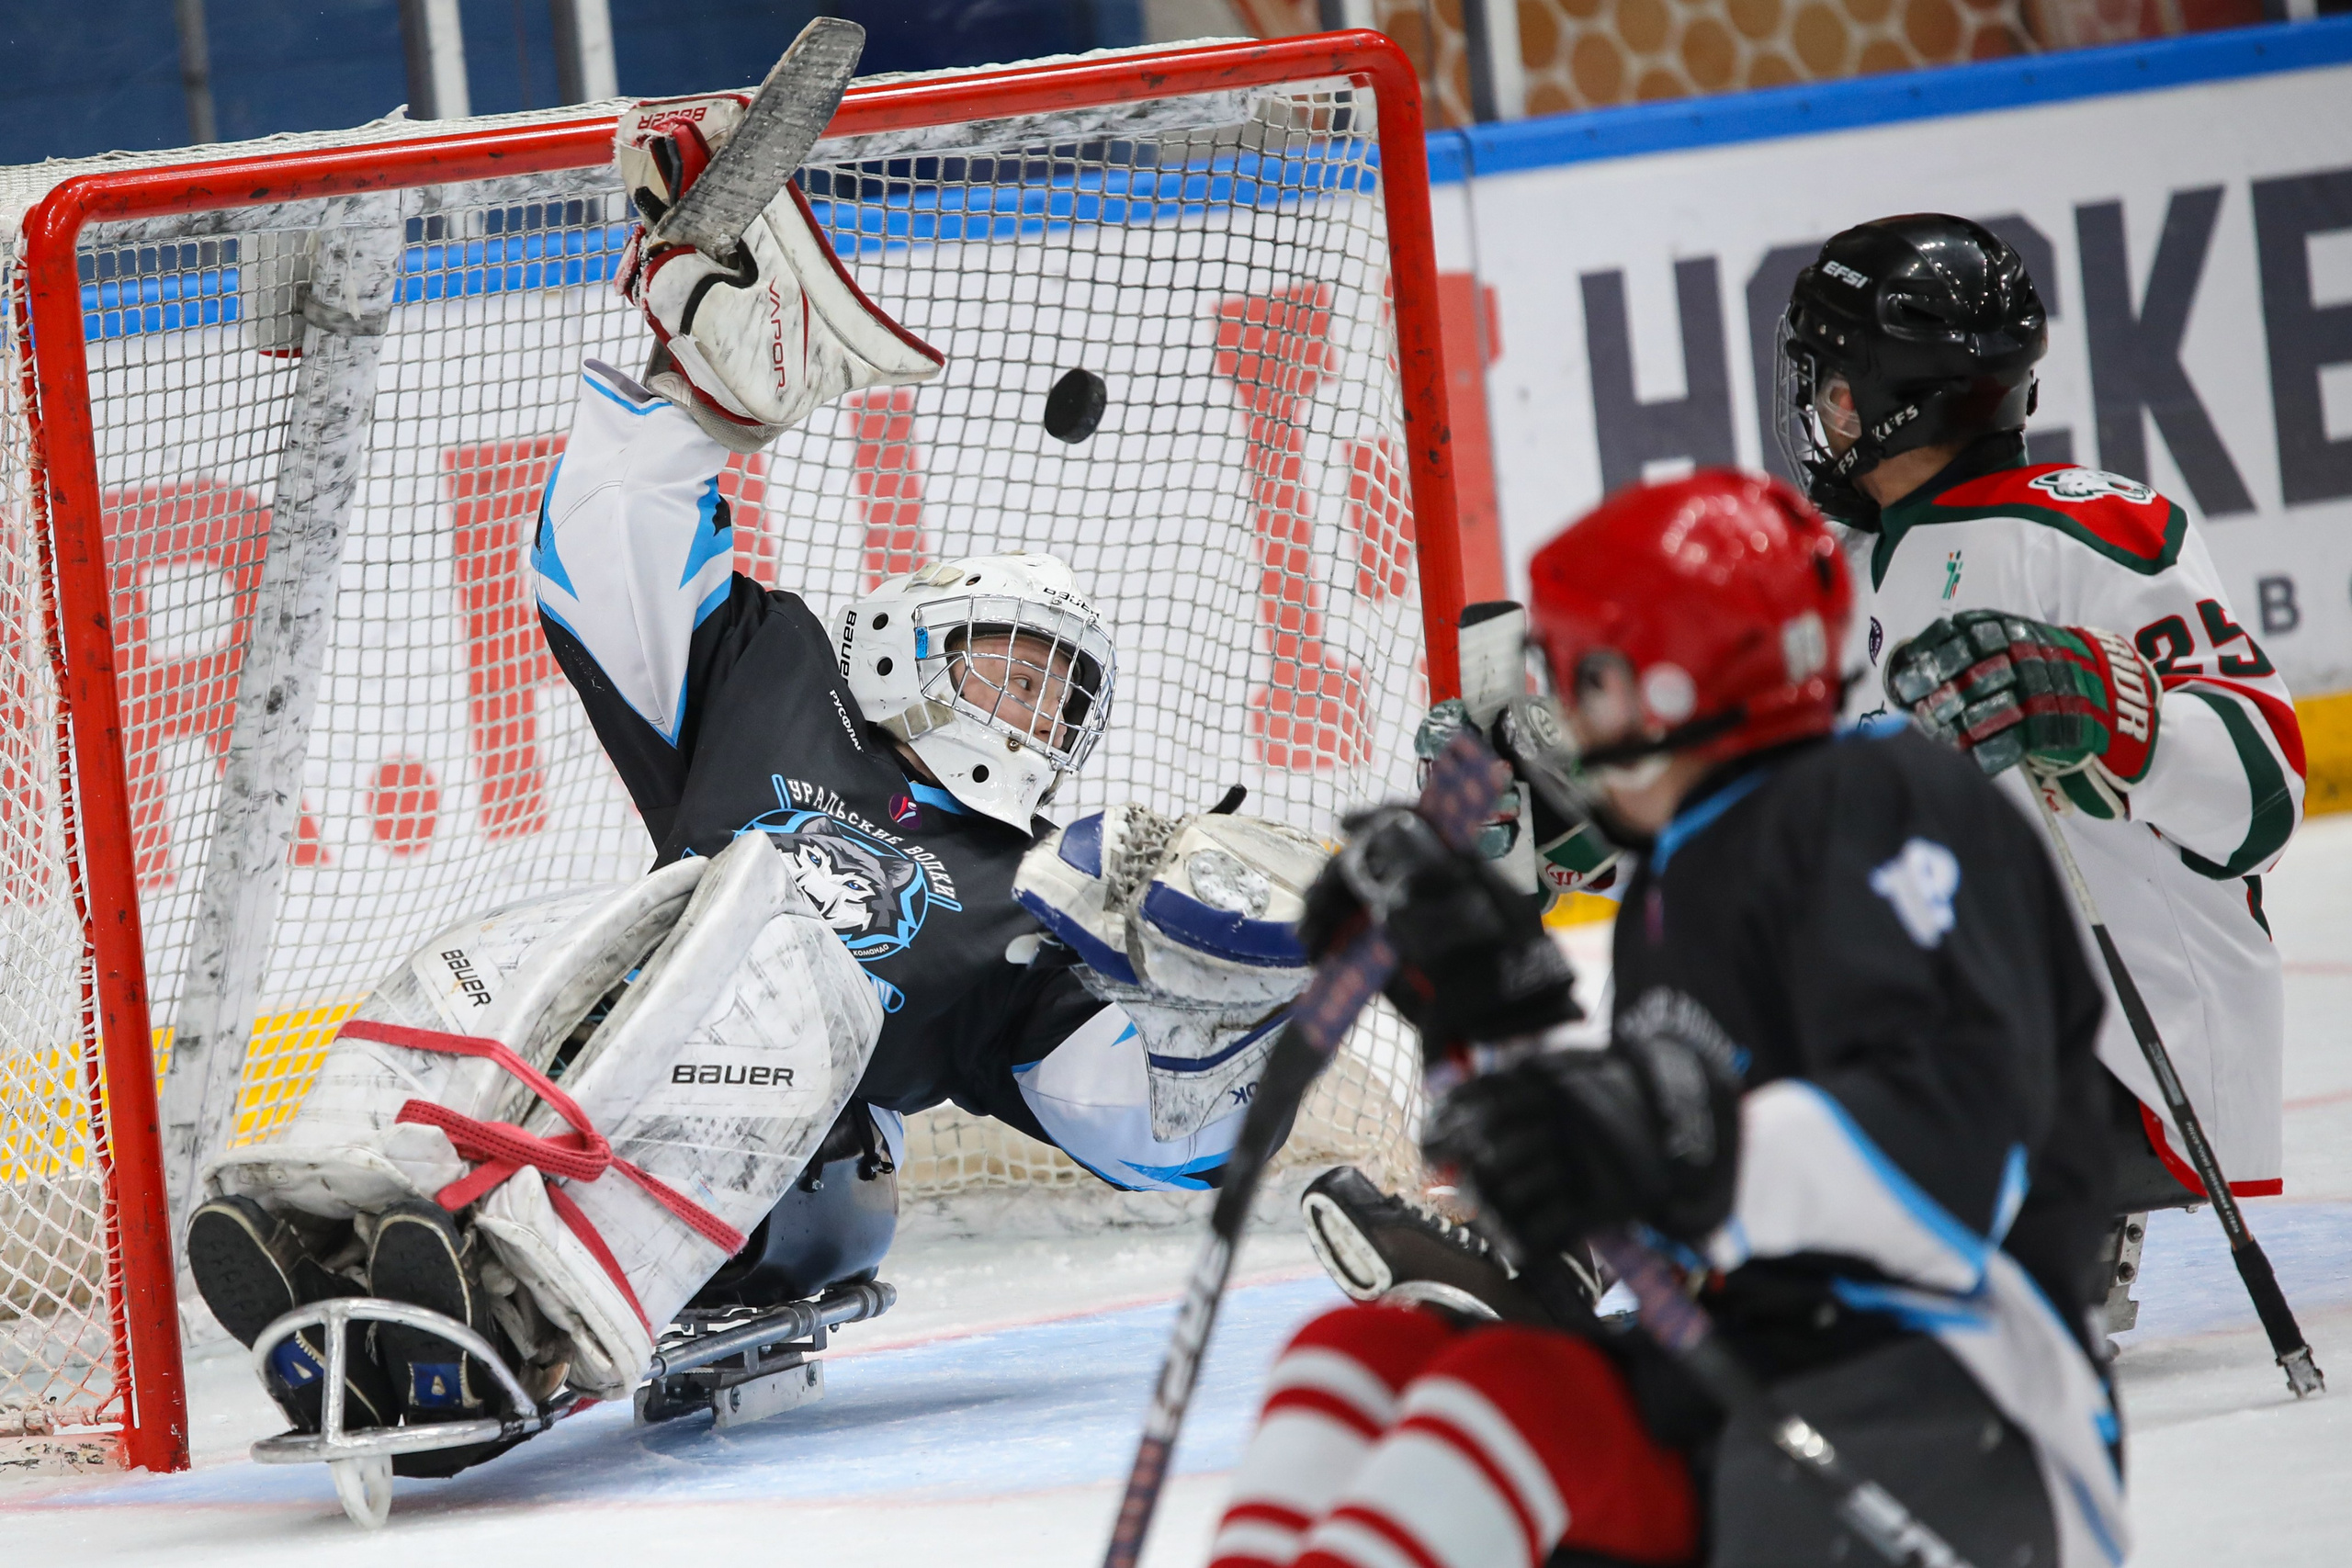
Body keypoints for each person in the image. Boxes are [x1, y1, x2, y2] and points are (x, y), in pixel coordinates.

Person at [183, 85, 1320, 1470]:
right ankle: (351, 1191)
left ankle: (512, 1291)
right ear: (910, 637)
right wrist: (692, 402)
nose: (1031, 706)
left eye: (1057, 692)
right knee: (522, 946)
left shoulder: (1030, 897)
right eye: (1011, 662)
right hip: (606, 1028)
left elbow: (1143, 1129)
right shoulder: (777, 675)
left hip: (801, 1167)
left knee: (775, 995)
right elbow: (610, 555)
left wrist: (1221, 999)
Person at [1214, 470, 2126, 1568]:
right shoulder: (1674, 883)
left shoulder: (1876, 804)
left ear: (1684, 684)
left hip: (1955, 1415)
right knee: (1353, 1352)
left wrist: (1660, 1127)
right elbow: (1644, 1206)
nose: (1557, 717)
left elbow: (1946, 1167)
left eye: (1586, 678)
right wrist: (1486, 995)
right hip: (1764, 1392)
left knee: (1523, 1394)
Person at [1778, 214, 2304, 1325]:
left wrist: (2098, 699)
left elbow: (2260, 793)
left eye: (1827, 382)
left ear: (1876, 401)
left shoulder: (2091, 534)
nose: (1815, 410)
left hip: (2123, 1058)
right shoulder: (1834, 575)